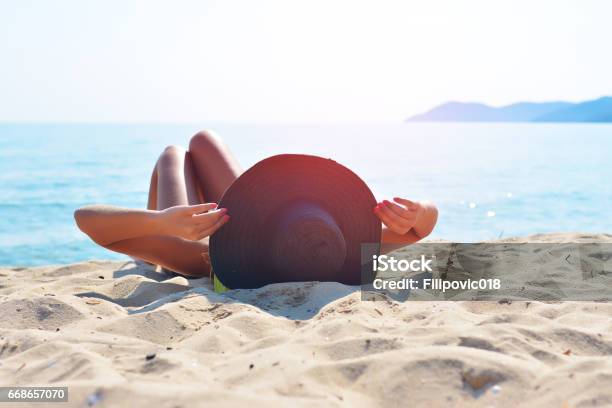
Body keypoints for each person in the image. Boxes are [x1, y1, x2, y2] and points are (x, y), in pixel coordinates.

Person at [74, 131, 438, 278]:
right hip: (253, 225)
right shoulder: (338, 247)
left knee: (174, 155)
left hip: (190, 236)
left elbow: (88, 221)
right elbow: (423, 228)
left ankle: (145, 257)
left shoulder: (196, 255)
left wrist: (162, 222)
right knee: (204, 140)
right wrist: (417, 212)